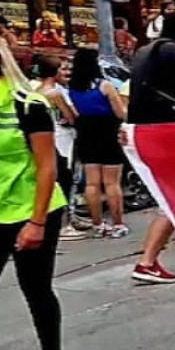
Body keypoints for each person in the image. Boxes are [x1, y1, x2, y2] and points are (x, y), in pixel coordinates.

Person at [0, 26, 70, 350]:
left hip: (29, 210)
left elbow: (47, 167)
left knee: (36, 289)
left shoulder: (26, 103)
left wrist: (36, 222)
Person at [128, 11, 175, 283]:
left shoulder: (145, 50)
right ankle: (147, 261)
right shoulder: (173, 51)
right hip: (166, 128)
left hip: (144, 129)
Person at [67, 48, 128, 238]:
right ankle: (117, 223)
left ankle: (98, 223)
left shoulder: (71, 88)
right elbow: (121, 113)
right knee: (111, 182)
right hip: (108, 132)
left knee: (91, 182)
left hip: (85, 132)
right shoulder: (105, 86)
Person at [31, 55, 86, 240]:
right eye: (62, 69)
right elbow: (71, 116)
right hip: (62, 137)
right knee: (65, 179)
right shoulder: (55, 93)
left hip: (46, 138)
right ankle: (65, 224)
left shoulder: (33, 90)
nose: (67, 72)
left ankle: (68, 218)